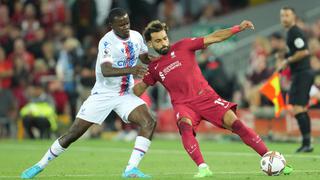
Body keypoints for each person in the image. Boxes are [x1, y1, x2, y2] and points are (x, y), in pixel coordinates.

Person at [133, 20, 293, 178]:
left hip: (206, 97)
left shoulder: (183, 45)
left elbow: (214, 37)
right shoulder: (153, 68)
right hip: (183, 105)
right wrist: (127, 75)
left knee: (237, 124)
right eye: (158, 41)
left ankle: (271, 158)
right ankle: (203, 168)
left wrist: (238, 28)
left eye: (165, 38)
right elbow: (138, 90)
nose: (163, 43)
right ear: (150, 44)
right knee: (185, 128)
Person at [21, 8, 156, 179]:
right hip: (103, 94)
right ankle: (39, 165)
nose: (125, 27)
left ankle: (130, 169)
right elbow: (106, 70)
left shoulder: (136, 36)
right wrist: (132, 69)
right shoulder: (106, 42)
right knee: (73, 134)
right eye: (121, 24)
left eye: (127, 22)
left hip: (125, 93)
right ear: (111, 26)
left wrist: (162, 59)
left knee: (149, 121)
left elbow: (144, 57)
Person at [278, 7, 314, 153]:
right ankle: (307, 143)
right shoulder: (290, 32)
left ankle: (307, 143)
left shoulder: (294, 31)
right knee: (301, 108)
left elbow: (304, 51)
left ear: (294, 17)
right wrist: (285, 56)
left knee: (298, 108)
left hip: (303, 73)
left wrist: (287, 61)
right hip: (301, 73)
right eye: (282, 16)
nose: (284, 18)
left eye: (287, 15)